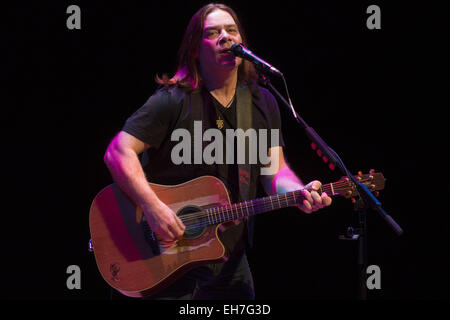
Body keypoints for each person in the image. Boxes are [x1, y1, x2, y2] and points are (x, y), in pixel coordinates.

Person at [103, 3, 332, 300]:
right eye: (213, 33)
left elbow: (274, 171)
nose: (225, 36)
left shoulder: (262, 102)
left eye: (231, 30)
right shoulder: (173, 100)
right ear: (195, 49)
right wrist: (152, 207)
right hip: (164, 255)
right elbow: (118, 152)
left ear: (243, 44)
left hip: (228, 261)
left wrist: (299, 190)